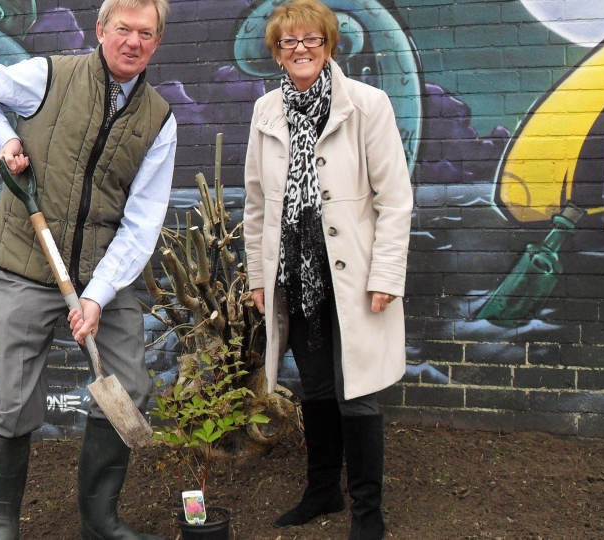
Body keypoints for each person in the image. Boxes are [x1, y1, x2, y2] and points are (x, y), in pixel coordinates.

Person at [0, 0, 175, 538]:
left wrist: (97, 296)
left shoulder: (159, 120)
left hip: (104, 270)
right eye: (123, 29)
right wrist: (6, 140)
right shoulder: (49, 76)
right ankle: (4, 519)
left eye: (145, 33)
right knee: (12, 395)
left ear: (157, 43)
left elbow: (143, 222)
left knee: (127, 382)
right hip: (28, 263)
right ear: (101, 30)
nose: (133, 42)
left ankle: (99, 520)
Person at [243, 1, 413, 538]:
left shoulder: (367, 105)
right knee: (314, 388)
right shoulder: (266, 111)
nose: (300, 50)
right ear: (276, 52)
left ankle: (369, 513)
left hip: (353, 280)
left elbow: (396, 199)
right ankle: (322, 491)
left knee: (356, 390)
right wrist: (256, 277)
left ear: (329, 45)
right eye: (288, 42)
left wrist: (386, 275)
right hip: (293, 277)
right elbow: (255, 204)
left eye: (311, 40)